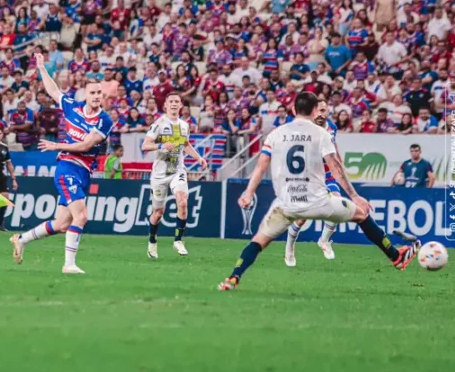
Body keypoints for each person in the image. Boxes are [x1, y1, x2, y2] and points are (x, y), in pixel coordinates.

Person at [218, 92, 421, 291]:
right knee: (362, 215)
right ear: (315, 111)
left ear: (292, 109)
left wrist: (248, 192)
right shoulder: (322, 133)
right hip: (319, 202)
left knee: (258, 241)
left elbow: (261, 165)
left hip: (286, 204)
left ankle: (234, 276)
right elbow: (335, 166)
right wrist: (354, 195)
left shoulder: (276, 133)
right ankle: (396, 256)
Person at [10, 53, 113, 274]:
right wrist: (41, 68)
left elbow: (86, 146)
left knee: (61, 224)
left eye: (99, 93)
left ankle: (21, 239)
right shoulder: (72, 107)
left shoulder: (104, 120)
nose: (96, 96)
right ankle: (69, 265)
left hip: (83, 171)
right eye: (93, 92)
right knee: (82, 216)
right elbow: (54, 91)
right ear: (86, 94)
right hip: (67, 168)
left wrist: (57, 146)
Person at [140, 93, 208, 259]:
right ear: (165, 105)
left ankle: (178, 239)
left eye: (177, 101)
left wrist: (199, 158)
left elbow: (185, 144)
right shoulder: (158, 125)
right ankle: (152, 240)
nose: (174, 104)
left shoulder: (185, 126)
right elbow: (145, 145)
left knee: (182, 201)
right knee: (158, 213)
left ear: (181, 105)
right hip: (159, 175)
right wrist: (161, 145)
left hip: (177, 170)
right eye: (171, 101)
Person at [284, 100, 341, 267]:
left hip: (328, 175)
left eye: (324, 110)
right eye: (318, 110)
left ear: (328, 111)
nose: (321, 113)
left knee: (337, 206)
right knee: (302, 218)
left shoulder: (332, 128)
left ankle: (324, 241)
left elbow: (333, 149)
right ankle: (289, 248)